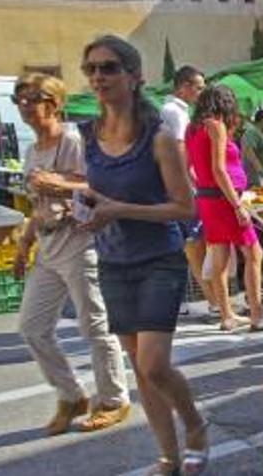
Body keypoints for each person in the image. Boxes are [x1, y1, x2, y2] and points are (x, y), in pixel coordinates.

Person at [75, 35, 207, 476]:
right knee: (140, 367)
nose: (98, 76)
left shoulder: (161, 138)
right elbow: (89, 193)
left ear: (134, 77)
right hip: (112, 259)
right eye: (91, 68)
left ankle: (194, 424)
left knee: (154, 363)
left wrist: (118, 209)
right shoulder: (86, 137)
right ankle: (168, 456)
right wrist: (76, 207)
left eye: (109, 68)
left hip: (159, 258)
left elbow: (185, 209)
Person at [12, 73, 130, 436]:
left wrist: (59, 184)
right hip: (48, 246)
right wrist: (24, 244)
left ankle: (114, 399)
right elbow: (37, 204)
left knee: (95, 324)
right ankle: (71, 394)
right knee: (32, 327)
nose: (25, 105)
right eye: (20, 99)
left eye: (34, 98)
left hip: (79, 241)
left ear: (55, 103)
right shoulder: (32, 150)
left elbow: (102, 187)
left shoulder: (75, 141)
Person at [185, 86, 263, 333]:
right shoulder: (215, 126)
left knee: (220, 256)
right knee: (254, 253)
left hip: (208, 200)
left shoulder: (192, 128)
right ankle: (257, 314)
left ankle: (227, 315)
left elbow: (187, 167)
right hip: (225, 200)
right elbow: (219, 169)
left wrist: (201, 188)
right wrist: (237, 204)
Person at [159, 66, 219, 319]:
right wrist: (192, 185)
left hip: (178, 186)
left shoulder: (172, 111)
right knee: (196, 245)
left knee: (196, 245)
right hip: (184, 188)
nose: (201, 92)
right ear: (183, 87)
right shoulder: (176, 112)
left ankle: (215, 300)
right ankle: (215, 301)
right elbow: (182, 150)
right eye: (198, 86)